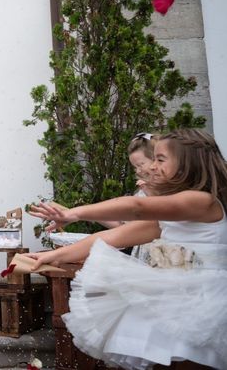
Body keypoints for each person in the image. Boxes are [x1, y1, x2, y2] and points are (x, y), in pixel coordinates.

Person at [28, 129, 227, 369]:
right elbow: (110, 237)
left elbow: (136, 207)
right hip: (174, 300)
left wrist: (75, 213)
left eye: (160, 159)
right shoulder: (168, 219)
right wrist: (52, 255)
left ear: (187, 165)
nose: (152, 166)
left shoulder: (203, 202)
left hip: (203, 303)